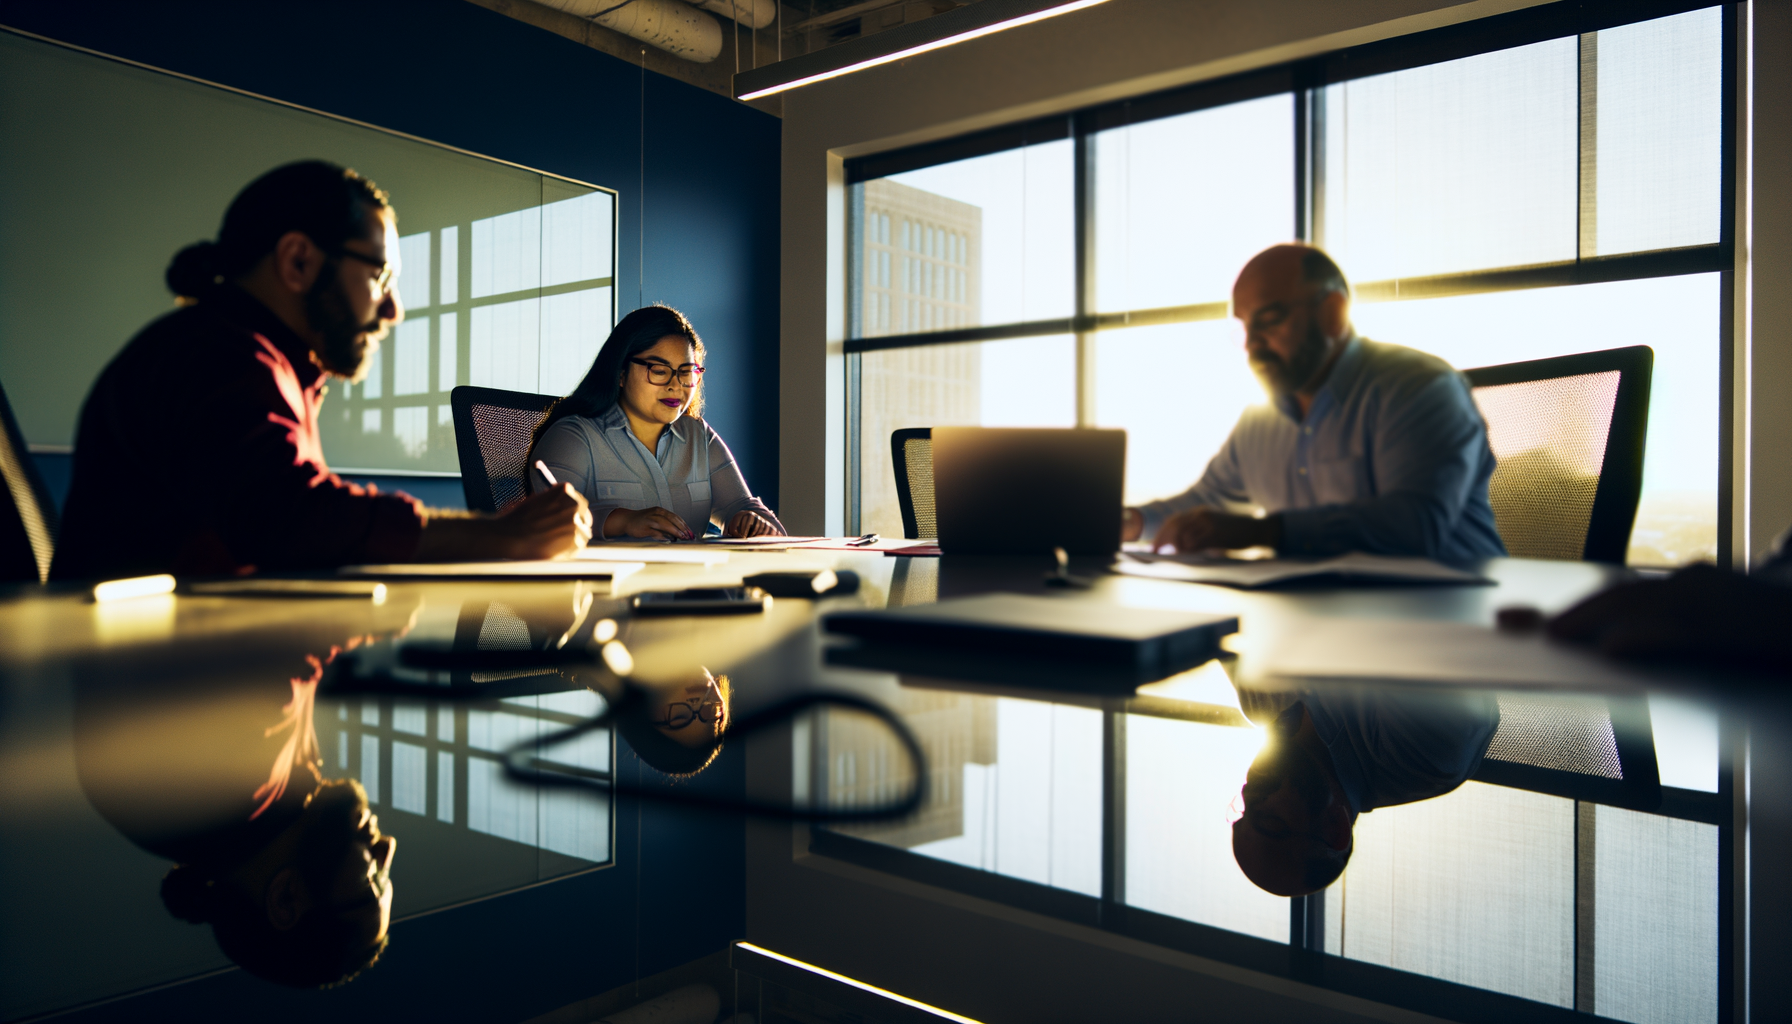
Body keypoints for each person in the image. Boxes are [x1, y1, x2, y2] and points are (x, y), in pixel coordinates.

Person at [51, 161, 590, 581]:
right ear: (299, 262)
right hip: (143, 700)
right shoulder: (216, 354)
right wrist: (500, 537)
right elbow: (290, 516)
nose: (393, 310)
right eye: (380, 275)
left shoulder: (256, 359)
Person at [1123, 243, 1505, 562]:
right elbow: (1209, 502)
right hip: (1324, 617)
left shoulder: (1420, 389)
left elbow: (1414, 525)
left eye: (1269, 320)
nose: (1253, 344)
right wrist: (1133, 523)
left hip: (1455, 616)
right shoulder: (1260, 422)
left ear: (1333, 312)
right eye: (1245, 327)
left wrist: (1265, 531)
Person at [75, 647, 396, 987]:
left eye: (372, 883)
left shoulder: (222, 794)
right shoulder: (275, 794)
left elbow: (291, 633)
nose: (387, 848)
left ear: (285, 897)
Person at [529, 304, 783, 541]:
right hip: (604, 586)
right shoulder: (573, 436)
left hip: (687, 583)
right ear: (620, 373)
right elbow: (542, 525)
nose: (675, 385)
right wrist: (621, 521)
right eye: (659, 371)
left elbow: (743, 507)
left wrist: (748, 520)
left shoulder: (698, 436)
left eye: (686, 372)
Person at [1230, 687, 1500, 897]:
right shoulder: (1424, 753)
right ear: (1334, 826)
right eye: (1267, 819)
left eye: (1242, 811)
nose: (1247, 793)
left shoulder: (1261, 707)